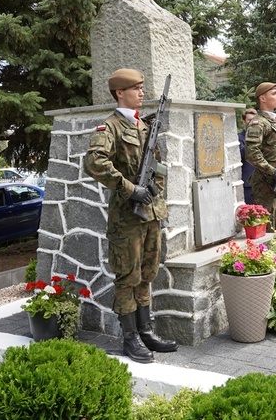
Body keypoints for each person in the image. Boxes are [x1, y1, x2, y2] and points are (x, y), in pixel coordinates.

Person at [83, 68, 178, 364]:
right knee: (127, 276)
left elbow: (159, 166)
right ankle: (130, 338)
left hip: (150, 213)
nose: (141, 93)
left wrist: (151, 190)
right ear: (119, 93)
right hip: (127, 217)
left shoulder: (144, 126)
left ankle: (145, 331)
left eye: (142, 87)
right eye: (136, 88)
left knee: (147, 274)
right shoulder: (108, 128)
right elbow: (94, 163)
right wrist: (130, 189)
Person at [245, 82, 276, 232]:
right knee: (265, 226)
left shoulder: (274, 122)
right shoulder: (258, 123)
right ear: (262, 98)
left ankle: (274, 254)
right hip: (265, 180)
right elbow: (252, 154)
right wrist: (273, 172)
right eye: (274, 94)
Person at [238, 108, 258, 204]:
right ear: (244, 122)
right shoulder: (239, 138)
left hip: (262, 183)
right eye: (249, 120)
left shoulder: (263, 137)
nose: (252, 123)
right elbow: (240, 156)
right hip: (248, 183)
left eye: (254, 120)